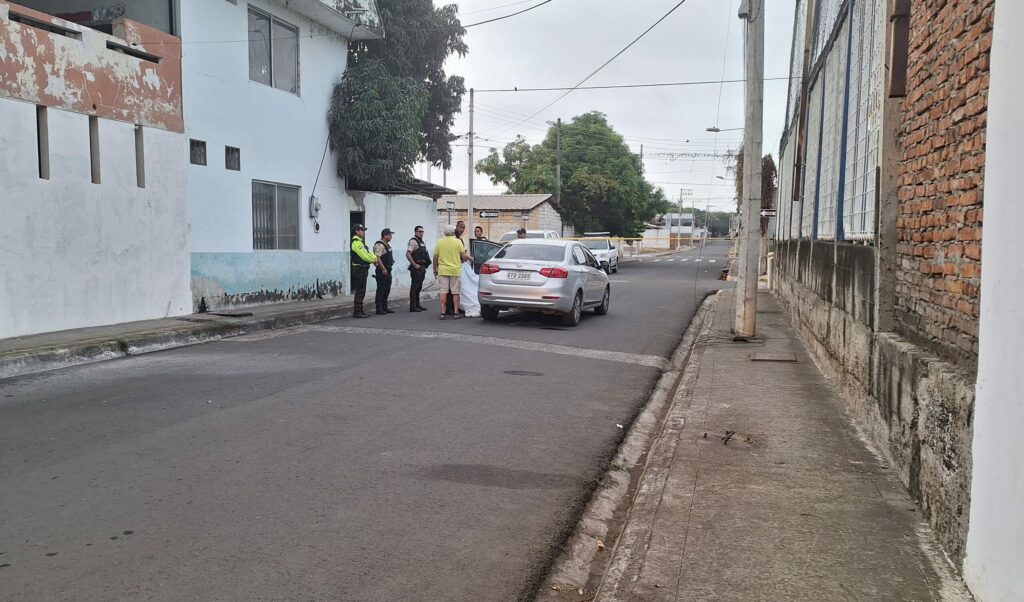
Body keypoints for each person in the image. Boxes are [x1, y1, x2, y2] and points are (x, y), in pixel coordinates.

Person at [434, 224, 471, 320]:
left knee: (443, 292)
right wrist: (470, 258)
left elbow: (435, 257)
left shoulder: (439, 242)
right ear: (453, 232)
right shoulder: (458, 242)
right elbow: (463, 256)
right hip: (455, 270)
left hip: (442, 270)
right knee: (455, 292)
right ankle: (456, 312)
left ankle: (442, 313)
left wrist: (435, 269)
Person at [350, 224, 386, 318]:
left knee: (362, 290)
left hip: (363, 269)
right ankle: (357, 311)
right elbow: (364, 256)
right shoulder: (356, 243)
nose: (363, 232)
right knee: (360, 291)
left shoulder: (361, 243)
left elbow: (369, 253)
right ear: (357, 231)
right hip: (359, 270)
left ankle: (360, 310)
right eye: (362, 230)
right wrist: (374, 260)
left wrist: (374, 258)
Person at [405, 225, 430, 312]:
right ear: (415, 232)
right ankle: (413, 306)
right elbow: (408, 254)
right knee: (415, 287)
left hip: (422, 267)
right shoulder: (413, 241)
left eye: (422, 232)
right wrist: (414, 264)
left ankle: (417, 304)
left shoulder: (421, 242)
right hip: (416, 268)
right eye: (419, 231)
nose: (421, 233)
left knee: (419, 287)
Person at [372, 228, 395, 315]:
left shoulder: (387, 245)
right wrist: (383, 269)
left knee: (387, 289)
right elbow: (377, 258)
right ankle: (379, 308)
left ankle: (385, 307)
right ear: (385, 235)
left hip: (388, 270)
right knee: (381, 290)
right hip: (382, 271)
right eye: (390, 235)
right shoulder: (379, 244)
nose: (391, 237)